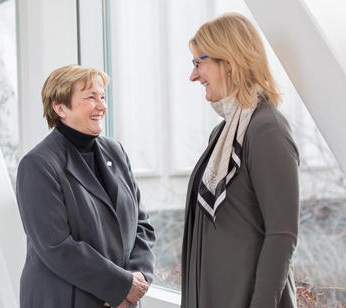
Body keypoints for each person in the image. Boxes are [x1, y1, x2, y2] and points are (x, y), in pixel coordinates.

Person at [181, 13, 299, 308]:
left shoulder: (266, 129)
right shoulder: (221, 135)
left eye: (199, 63)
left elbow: (282, 235)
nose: (193, 75)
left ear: (229, 61)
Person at [16, 64, 155, 308]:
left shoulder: (116, 151)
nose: (102, 106)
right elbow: (56, 246)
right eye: (90, 97)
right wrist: (121, 286)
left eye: (102, 96)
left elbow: (142, 225)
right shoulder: (37, 164)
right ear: (60, 108)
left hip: (123, 299)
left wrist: (137, 279)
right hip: (65, 299)